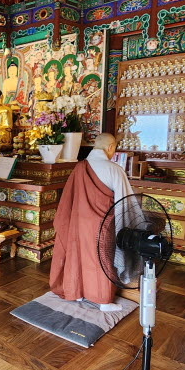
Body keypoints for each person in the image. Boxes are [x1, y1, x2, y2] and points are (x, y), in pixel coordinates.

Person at [49, 133, 136, 312]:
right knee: (101, 259)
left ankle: (77, 293)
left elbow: (68, 199)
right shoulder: (114, 169)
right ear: (110, 147)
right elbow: (124, 203)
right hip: (103, 225)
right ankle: (103, 300)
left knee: (78, 255)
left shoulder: (79, 167)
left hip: (79, 223)